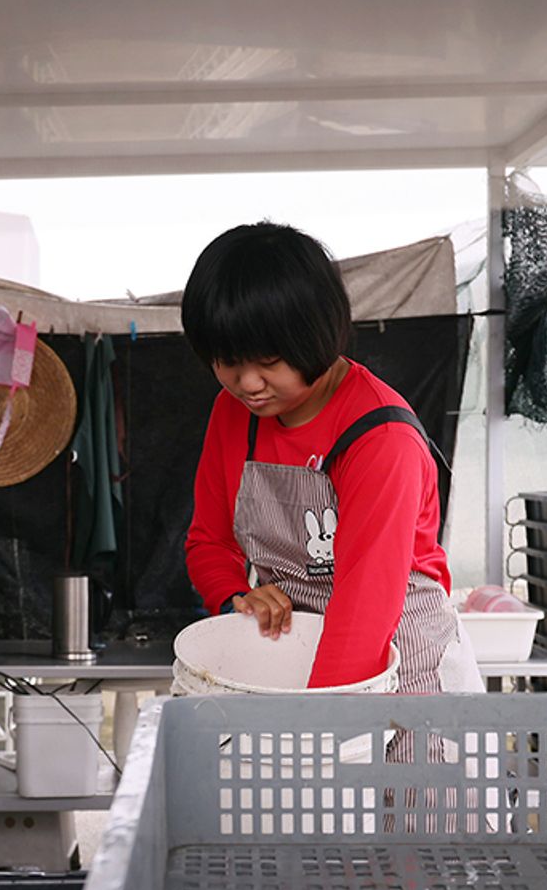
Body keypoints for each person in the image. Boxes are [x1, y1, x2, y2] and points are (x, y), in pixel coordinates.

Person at [181, 221, 478, 692]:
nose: (248, 384)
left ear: (316, 334)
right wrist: (235, 596)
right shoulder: (234, 413)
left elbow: (363, 612)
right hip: (300, 666)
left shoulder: (381, 439)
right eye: (228, 361)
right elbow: (209, 542)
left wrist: (319, 729)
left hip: (407, 671)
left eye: (269, 362)